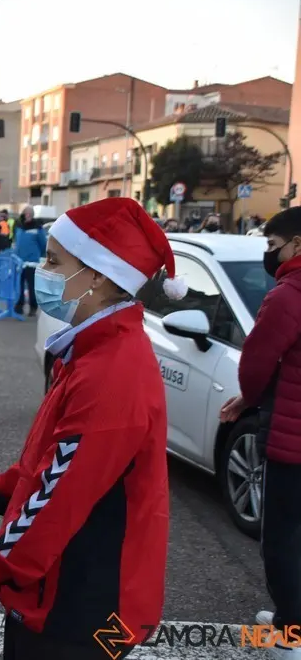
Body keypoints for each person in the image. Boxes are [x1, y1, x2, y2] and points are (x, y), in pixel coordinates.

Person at [0, 198, 177, 660]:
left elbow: (53, 506)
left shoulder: (110, 373)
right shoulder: (94, 351)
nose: (41, 271)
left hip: (81, 615)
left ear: (98, 276)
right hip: (66, 600)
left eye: (53, 260)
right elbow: (46, 469)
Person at [220, 206, 301, 659]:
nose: (269, 255)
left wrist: (249, 397)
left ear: (297, 244)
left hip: (293, 440)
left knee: (283, 538)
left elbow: (255, 363)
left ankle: (290, 636)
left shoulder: (287, 296)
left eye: (273, 245)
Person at [13, 206, 47, 317]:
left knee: (31, 286)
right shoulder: (19, 227)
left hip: (31, 263)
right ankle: (19, 306)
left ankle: (33, 307)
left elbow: (43, 244)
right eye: (25, 213)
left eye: (29, 214)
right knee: (19, 285)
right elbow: (16, 242)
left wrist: (38, 256)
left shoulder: (37, 228)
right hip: (19, 262)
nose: (27, 215)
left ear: (32, 215)